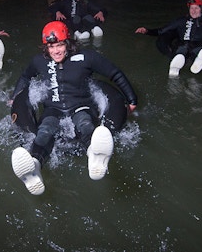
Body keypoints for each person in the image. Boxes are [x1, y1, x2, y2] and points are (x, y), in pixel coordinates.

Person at [9, 21, 137, 195]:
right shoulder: (39, 61)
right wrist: (15, 97)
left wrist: (131, 99)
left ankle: (95, 156)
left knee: (84, 123)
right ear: (46, 47)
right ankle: (35, 166)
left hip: (80, 104)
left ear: (68, 43)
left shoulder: (87, 57)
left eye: (60, 45)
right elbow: (25, 77)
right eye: (51, 46)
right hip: (53, 108)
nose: (56, 51)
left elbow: (115, 73)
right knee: (45, 130)